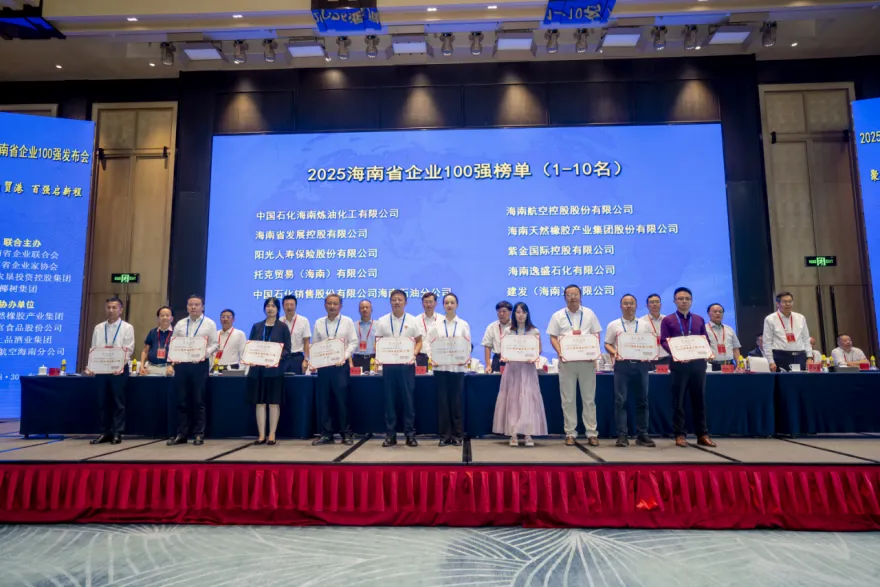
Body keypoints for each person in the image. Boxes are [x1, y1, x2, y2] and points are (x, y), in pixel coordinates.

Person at [547, 284, 602, 447]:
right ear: (565, 297)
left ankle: (591, 433)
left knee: (589, 399)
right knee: (568, 399)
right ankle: (570, 433)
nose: (573, 297)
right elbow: (553, 337)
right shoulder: (558, 316)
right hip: (567, 362)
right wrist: (560, 352)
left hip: (587, 362)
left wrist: (592, 352)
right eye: (569, 294)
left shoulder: (589, 313)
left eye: (575, 294)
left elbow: (596, 334)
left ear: (580, 296)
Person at [660, 287, 716, 448]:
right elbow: (663, 341)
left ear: (691, 301)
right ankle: (680, 434)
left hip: (698, 364)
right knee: (678, 400)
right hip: (679, 364)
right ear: (674, 301)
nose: (684, 301)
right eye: (680, 299)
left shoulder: (699, 319)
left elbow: (705, 340)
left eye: (687, 299)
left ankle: (702, 434)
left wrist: (707, 352)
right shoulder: (668, 320)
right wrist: (677, 354)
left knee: (699, 399)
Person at [492, 302, 547, 447]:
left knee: (528, 401)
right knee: (513, 401)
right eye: (518, 312)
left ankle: (528, 434)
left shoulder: (534, 331)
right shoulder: (508, 331)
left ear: (527, 314)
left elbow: (539, 349)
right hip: (513, 370)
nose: (520, 315)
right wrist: (505, 357)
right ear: (514, 314)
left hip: (528, 369)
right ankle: (513, 434)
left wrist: (533, 356)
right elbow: (504, 351)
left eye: (523, 312)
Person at [604, 294, 655, 448]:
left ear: (636, 305)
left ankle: (642, 435)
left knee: (643, 401)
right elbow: (607, 344)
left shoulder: (645, 325)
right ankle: (622, 436)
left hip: (641, 365)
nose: (628, 306)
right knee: (621, 401)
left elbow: (651, 343)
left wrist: (649, 355)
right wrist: (615, 353)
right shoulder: (613, 325)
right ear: (621, 306)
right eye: (625, 303)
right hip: (622, 365)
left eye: (631, 303)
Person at [167, 295, 218, 446]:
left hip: (199, 365)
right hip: (182, 365)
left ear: (203, 307)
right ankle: (181, 434)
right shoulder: (180, 324)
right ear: (187, 307)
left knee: (198, 400)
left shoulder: (209, 323)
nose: (193, 307)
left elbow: (215, 344)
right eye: (190, 305)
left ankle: (198, 434)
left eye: (196, 304)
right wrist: (173, 359)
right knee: (182, 400)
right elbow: (173, 343)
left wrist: (204, 353)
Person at [374, 289, 423, 447]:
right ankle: (391, 435)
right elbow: (378, 342)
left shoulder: (413, 320)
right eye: (394, 299)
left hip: (406, 366)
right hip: (389, 366)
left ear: (405, 302)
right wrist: (379, 355)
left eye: (400, 299)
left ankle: (410, 434)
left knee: (408, 400)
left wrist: (413, 353)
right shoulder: (382, 321)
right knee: (390, 400)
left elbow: (419, 341)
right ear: (390, 302)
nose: (397, 302)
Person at [310, 293, 358, 445]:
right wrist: (314, 360)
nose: (332, 306)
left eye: (335, 304)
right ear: (325, 305)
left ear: (340, 306)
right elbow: (315, 344)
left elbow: (353, 342)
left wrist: (344, 356)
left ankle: (346, 434)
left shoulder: (347, 321)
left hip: (340, 367)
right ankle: (326, 434)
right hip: (324, 367)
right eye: (329, 303)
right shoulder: (319, 322)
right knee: (324, 401)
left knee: (342, 401)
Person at [87, 297, 135, 445]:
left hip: (118, 370)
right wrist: (91, 366)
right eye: (108, 307)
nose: (111, 310)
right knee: (103, 401)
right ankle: (105, 432)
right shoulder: (99, 328)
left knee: (117, 402)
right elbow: (94, 348)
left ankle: (117, 432)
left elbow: (129, 349)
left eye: (114, 307)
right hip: (101, 369)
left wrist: (118, 365)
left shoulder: (127, 327)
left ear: (121, 310)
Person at [247, 297, 291, 445]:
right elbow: (250, 346)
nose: (270, 308)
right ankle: (261, 435)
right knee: (259, 403)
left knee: (273, 402)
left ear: (278, 309)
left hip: (274, 371)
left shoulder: (283, 327)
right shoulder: (257, 326)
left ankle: (272, 434)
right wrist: (251, 358)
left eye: (273, 306)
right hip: (257, 371)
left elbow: (287, 350)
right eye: (268, 306)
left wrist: (274, 359)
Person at [428, 292, 470, 447]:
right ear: (443, 305)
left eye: (452, 302)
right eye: (446, 303)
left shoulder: (463, 325)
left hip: (457, 369)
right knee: (443, 404)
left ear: (457, 305)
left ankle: (458, 435)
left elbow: (467, 345)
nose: (449, 305)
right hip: (441, 368)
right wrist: (433, 358)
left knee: (456, 403)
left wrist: (463, 358)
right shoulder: (436, 325)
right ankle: (444, 436)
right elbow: (429, 344)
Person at [762, 291, 813, 372]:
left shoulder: (800, 318)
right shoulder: (770, 319)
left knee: (801, 379)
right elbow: (767, 342)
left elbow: (806, 339)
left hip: (799, 355)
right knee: (783, 379)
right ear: (777, 304)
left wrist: (809, 357)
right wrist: (770, 361)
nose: (788, 304)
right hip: (781, 356)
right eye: (784, 302)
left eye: (790, 301)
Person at [280, 294, 311, 375]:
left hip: (297, 358)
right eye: (286, 305)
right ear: (283, 306)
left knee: (297, 381)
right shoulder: (279, 321)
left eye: (291, 305)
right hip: (282, 359)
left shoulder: (303, 321)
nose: (289, 307)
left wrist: (306, 360)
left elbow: (306, 341)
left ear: (296, 306)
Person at [706, 303, 742, 371]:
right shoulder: (704, 329)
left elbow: (735, 349)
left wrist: (738, 364)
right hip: (712, 365)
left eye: (720, 312)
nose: (718, 313)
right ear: (708, 313)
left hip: (729, 365)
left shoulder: (729, 329)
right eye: (715, 311)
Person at [140, 306, 174, 376]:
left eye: (167, 315)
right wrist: (142, 366)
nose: (164, 317)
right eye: (162, 315)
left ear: (172, 318)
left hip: (168, 369)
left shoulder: (176, 333)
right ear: (158, 319)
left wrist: (172, 366)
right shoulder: (152, 332)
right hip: (151, 368)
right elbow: (145, 351)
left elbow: (179, 355)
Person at [482, 300, 513, 374]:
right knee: (496, 381)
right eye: (499, 311)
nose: (501, 314)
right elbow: (487, 346)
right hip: (497, 360)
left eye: (504, 311)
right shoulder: (491, 327)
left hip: (513, 360)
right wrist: (488, 365)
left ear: (510, 312)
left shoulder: (515, 326)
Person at [642, 294, 670, 367]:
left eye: (657, 302)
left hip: (666, 358)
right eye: (652, 302)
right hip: (648, 359)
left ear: (661, 305)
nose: (655, 304)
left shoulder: (668, 320)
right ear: (647, 306)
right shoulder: (641, 321)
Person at [416, 292, 442, 367]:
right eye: (426, 302)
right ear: (422, 304)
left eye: (431, 302)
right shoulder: (416, 320)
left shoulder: (442, 320)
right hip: (421, 357)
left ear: (436, 303)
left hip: (439, 357)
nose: (428, 304)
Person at [351, 299, 375, 371]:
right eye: (362, 308)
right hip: (357, 359)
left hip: (373, 359)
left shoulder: (378, 325)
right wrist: (350, 363)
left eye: (367, 307)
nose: (364, 309)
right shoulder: (353, 326)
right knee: (357, 378)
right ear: (359, 310)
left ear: (371, 309)